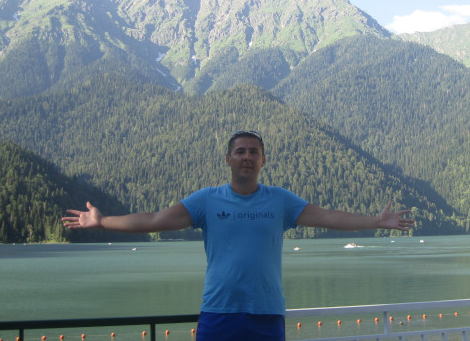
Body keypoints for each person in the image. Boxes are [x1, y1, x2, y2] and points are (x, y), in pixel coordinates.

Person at [62, 129, 414, 340]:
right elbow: (154, 220)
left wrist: (376, 221)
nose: (247, 157)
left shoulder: (280, 200)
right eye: (240, 152)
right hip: (219, 312)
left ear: (263, 161)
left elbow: (329, 217)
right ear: (228, 159)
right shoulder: (206, 200)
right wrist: (103, 221)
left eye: (254, 152)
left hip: (267, 314)